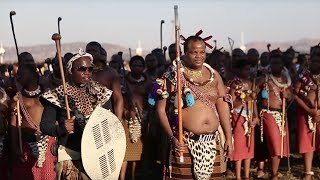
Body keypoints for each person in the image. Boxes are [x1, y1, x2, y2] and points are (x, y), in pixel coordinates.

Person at [155, 36, 233, 179]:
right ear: (185, 53)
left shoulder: (214, 75)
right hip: (184, 142)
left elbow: (222, 106)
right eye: (194, 52)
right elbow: (161, 110)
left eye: (202, 52)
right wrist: (172, 138)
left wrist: (228, 137)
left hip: (213, 142)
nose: (199, 56)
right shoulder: (173, 76)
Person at [40, 49, 112, 179]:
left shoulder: (101, 94)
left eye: (90, 69)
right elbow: (45, 126)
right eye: (82, 69)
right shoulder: (58, 95)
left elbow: (109, 123)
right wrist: (61, 129)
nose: (87, 72)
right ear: (70, 71)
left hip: (96, 155)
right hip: (70, 155)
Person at [10, 64, 55, 180]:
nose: (18, 77)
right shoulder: (18, 99)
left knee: (49, 175)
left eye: (21, 74)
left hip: (48, 142)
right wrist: (15, 147)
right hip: (26, 145)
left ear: (34, 76)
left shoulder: (48, 95)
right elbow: (14, 126)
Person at [257, 49, 293, 179]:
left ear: (282, 64)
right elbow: (253, 92)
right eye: (273, 63)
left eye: (278, 63)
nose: (275, 66)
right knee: (274, 144)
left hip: (282, 115)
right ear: (270, 64)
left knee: (278, 145)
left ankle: (273, 173)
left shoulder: (286, 79)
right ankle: (272, 173)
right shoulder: (264, 79)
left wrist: (288, 95)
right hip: (268, 114)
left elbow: (291, 97)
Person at [119, 55, 152, 180]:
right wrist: (126, 112)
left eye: (139, 65)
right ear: (130, 67)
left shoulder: (148, 83)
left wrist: (146, 117)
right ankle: (122, 177)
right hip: (126, 119)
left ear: (143, 67)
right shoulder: (123, 81)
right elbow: (119, 99)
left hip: (143, 120)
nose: (136, 68)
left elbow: (151, 101)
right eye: (134, 65)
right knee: (126, 151)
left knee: (138, 151)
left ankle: (134, 176)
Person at [229, 58, 258, 180]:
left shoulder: (252, 83)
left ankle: (246, 175)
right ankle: (238, 176)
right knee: (239, 145)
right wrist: (242, 100)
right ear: (239, 70)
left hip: (250, 116)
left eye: (249, 69)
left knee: (248, 146)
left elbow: (254, 102)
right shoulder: (235, 84)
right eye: (246, 69)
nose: (248, 71)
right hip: (238, 116)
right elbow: (230, 103)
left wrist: (256, 118)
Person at [294, 51, 320, 179]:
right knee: (307, 143)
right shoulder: (303, 76)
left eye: (318, 61)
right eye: (313, 61)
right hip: (305, 113)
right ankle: (307, 172)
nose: (315, 63)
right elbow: (296, 95)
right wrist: (309, 111)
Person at [86, 42, 124, 120]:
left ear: (100, 53)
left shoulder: (110, 73)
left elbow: (118, 99)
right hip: (85, 116)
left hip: (105, 116)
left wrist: (118, 121)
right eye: (88, 51)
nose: (90, 53)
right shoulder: (81, 72)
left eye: (94, 51)